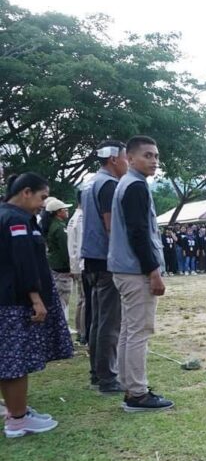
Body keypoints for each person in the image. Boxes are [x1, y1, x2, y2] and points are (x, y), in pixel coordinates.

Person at [1, 172, 73, 438]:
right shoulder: (16, 220)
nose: (44, 203)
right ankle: (18, 420)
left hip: (9, 298)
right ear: (26, 192)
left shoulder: (9, 215)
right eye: (42, 197)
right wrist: (35, 298)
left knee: (9, 361)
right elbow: (23, 262)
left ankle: (16, 411)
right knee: (14, 362)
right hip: (15, 301)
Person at [108, 136, 173, 412]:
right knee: (139, 331)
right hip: (135, 271)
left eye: (156, 156)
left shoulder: (128, 184)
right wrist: (153, 272)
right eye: (147, 155)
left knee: (128, 331)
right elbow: (138, 234)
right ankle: (137, 393)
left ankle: (130, 386)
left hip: (124, 269)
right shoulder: (134, 186)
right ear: (130, 158)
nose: (154, 161)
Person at [81, 140, 127, 394]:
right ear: (113, 159)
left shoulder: (90, 183)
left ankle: (97, 373)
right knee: (110, 322)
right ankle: (108, 378)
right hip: (107, 260)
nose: (127, 163)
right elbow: (111, 226)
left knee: (97, 320)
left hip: (91, 260)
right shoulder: (108, 185)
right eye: (125, 158)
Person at [45, 198, 73, 320]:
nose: (67, 211)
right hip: (62, 267)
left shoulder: (52, 225)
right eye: (64, 209)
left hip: (54, 265)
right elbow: (65, 249)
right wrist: (71, 265)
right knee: (63, 297)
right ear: (58, 212)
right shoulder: (59, 228)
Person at [66, 190, 87, 343]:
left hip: (75, 263)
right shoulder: (82, 218)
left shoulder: (73, 218)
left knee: (81, 299)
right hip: (81, 263)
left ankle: (81, 330)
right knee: (85, 299)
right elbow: (81, 243)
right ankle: (84, 331)